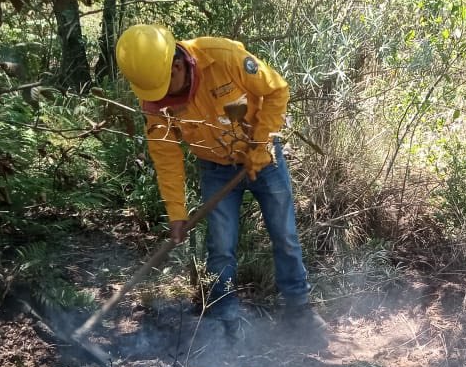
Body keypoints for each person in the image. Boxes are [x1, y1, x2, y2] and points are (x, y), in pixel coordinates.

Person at [114, 24, 325, 342]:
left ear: (177, 64)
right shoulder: (156, 100)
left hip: (264, 159)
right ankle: (224, 319)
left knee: (285, 236)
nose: (164, 98)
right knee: (221, 247)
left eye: (166, 86)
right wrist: (176, 213)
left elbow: (277, 90)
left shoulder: (223, 57)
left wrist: (260, 143)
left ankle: (299, 311)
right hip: (215, 168)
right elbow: (166, 156)